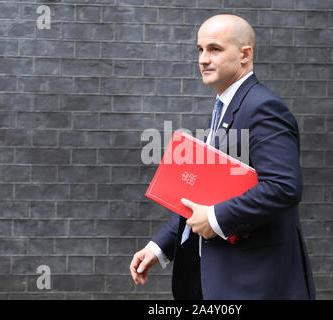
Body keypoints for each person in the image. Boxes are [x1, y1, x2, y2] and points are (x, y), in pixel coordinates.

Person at [130, 14, 315, 300]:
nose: (203, 59)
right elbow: (202, 195)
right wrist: (160, 247)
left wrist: (216, 218)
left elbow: (284, 187)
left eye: (214, 49)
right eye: (200, 50)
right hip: (219, 280)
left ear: (245, 55)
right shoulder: (225, 108)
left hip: (254, 283)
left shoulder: (263, 107)